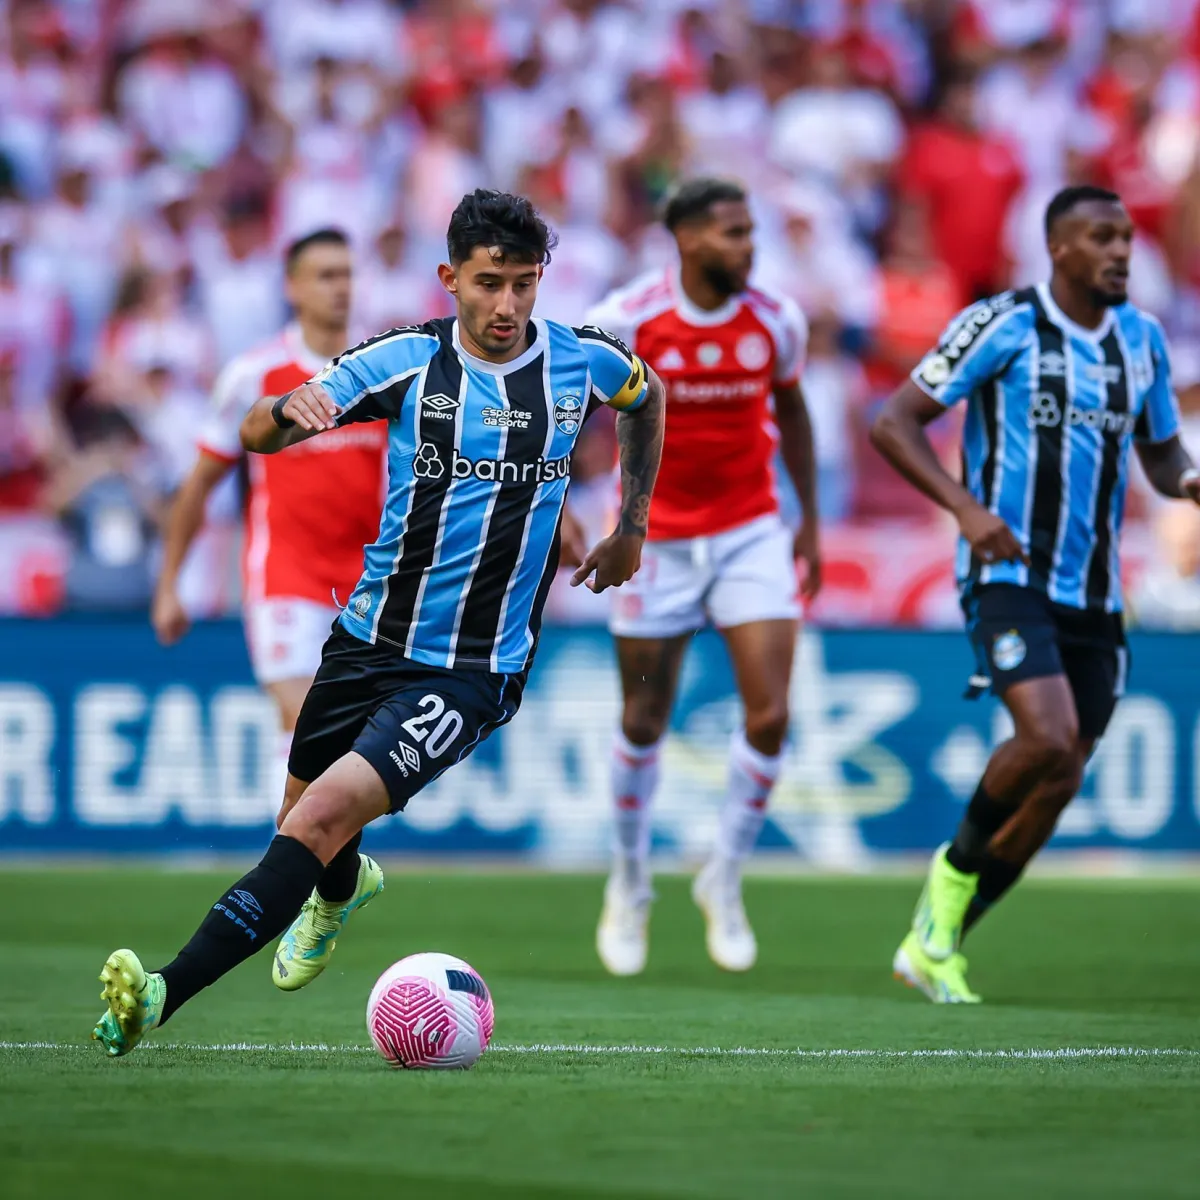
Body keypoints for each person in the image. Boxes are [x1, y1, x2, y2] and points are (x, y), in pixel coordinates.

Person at [91, 189, 666, 1057]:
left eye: (523, 283)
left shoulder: (581, 362)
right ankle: (341, 890)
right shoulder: (404, 361)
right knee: (302, 826)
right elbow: (255, 427)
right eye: (487, 284)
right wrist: (291, 415)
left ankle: (160, 994)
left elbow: (649, 396)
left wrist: (632, 523)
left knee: (316, 818)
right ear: (449, 279)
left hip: (471, 671)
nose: (507, 305)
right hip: (363, 643)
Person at [870, 185, 1200, 1003]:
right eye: (1101, 237)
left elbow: (1159, 454)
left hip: (1094, 589)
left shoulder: (1144, 342)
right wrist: (967, 510)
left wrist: (1190, 479)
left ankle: (937, 942)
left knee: (1062, 773)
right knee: (1046, 737)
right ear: (1058, 249)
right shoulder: (1002, 323)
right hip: (1007, 570)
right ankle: (947, 881)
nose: (1121, 251)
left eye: (1125, 237)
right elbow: (894, 421)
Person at [584, 177, 821, 976]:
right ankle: (630, 880)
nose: (747, 246)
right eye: (732, 232)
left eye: (751, 231)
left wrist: (810, 524)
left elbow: (792, 414)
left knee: (770, 714)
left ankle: (722, 873)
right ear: (686, 239)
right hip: (658, 541)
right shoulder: (631, 318)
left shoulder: (776, 319)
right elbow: (564, 409)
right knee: (644, 719)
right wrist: (592, 518)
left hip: (751, 531)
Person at [152, 228, 384, 793]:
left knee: (348, 740)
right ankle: (295, 875)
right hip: (286, 573)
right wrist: (169, 585)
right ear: (293, 287)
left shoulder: (384, 369)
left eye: (347, 274)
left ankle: (318, 866)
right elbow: (199, 484)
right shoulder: (254, 374)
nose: (341, 288)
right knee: (304, 721)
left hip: (368, 580)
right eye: (326, 275)